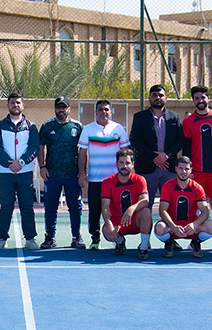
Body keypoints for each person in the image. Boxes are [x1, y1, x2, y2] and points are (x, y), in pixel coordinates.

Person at [181, 85, 212, 250]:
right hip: (197, 171)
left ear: (208, 98)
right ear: (193, 101)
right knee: (196, 205)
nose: (200, 100)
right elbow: (186, 148)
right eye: (197, 98)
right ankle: (195, 240)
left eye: (203, 97)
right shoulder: (188, 121)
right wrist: (189, 170)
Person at [0, 92, 40, 250]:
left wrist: (21, 162)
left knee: (27, 206)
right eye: (12, 103)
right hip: (6, 174)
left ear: (23, 105)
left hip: (25, 173)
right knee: (6, 206)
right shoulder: (0, 126)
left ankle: (30, 238)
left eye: (18, 102)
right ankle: (2, 238)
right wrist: (9, 164)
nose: (15, 105)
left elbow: (34, 147)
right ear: (8, 105)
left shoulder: (31, 126)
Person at [78, 99, 130, 250]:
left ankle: (119, 239)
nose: (104, 112)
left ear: (111, 111)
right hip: (95, 179)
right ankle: (95, 239)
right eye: (100, 109)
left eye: (106, 109)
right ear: (96, 112)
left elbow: (126, 153)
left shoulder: (119, 129)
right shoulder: (88, 129)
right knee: (94, 210)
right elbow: (82, 153)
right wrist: (82, 173)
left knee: (116, 210)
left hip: (115, 180)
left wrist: (126, 174)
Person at [38, 96, 85, 249]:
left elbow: (83, 150)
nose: (61, 110)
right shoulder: (47, 126)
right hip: (52, 175)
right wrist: (42, 167)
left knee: (75, 207)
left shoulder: (77, 126)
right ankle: (49, 237)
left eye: (64, 107)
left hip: (72, 175)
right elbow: (40, 147)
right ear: (55, 109)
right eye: (58, 107)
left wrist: (82, 172)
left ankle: (77, 237)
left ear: (69, 109)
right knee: (50, 207)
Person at [129, 84, 183, 209]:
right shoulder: (140, 117)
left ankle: (168, 224)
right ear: (149, 98)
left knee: (171, 205)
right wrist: (154, 158)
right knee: (145, 205)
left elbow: (180, 140)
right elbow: (135, 140)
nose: (158, 98)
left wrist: (166, 156)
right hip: (147, 168)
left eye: (161, 95)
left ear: (166, 98)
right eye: (154, 95)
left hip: (169, 167)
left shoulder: (174, 117)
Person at [154, 156, 212, 258]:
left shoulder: (197, 188)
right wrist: (174, 227)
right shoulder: (168, 186)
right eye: (181, 168)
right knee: (159, 228)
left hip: (191, 226)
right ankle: (169, 242)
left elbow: (205, 211)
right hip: (173, 225)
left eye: (187, 169)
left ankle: (196, 242)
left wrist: (194, 224)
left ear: (191, 170)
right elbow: (162, 210)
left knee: (211, 227)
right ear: (176, 169)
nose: (184, 171)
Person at [101, 148, 152, 261]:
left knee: (146, 212)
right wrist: (109, 225)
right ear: (116, 164)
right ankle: (120, 242)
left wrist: (131, 209)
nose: (124, 166)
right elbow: (105, 207)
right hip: (118, 221)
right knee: (106, 230)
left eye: (128, 163)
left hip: (135, 220)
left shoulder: (139, 179)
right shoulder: (107, 182)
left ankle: (143, 247)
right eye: (121, 163)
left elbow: (145, 200)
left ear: (133, 164)